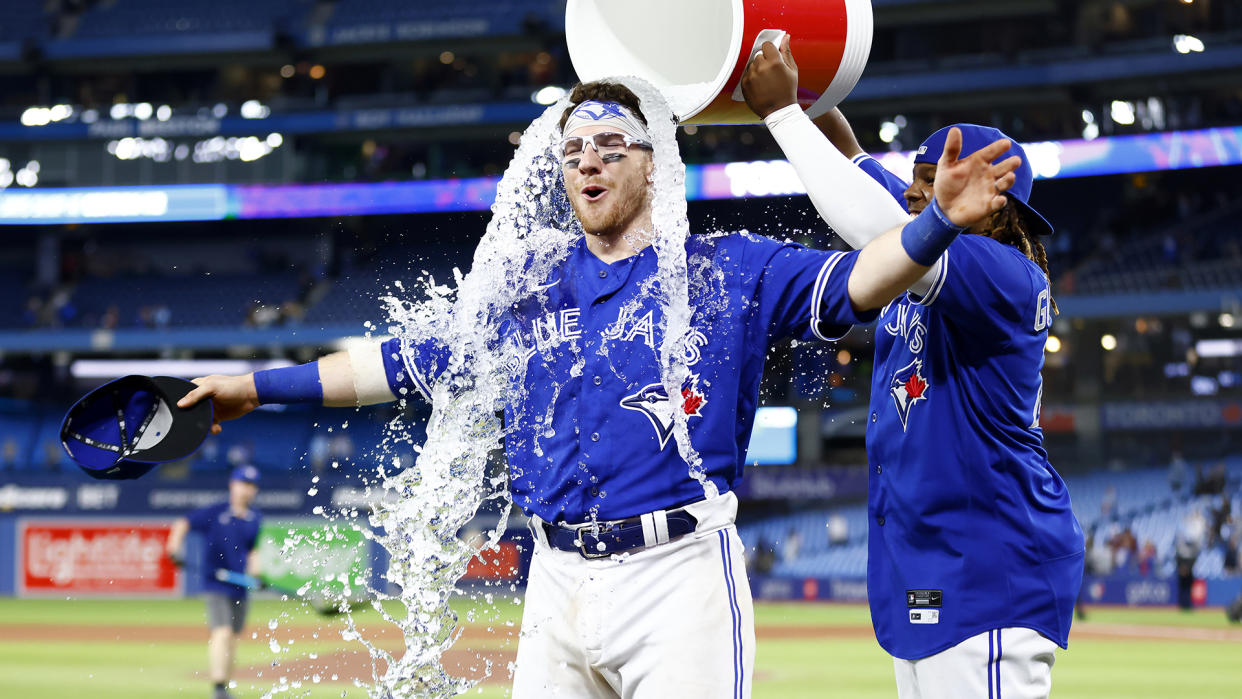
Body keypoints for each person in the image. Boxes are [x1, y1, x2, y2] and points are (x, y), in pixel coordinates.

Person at [175, 77, 1019, 697]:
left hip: (679, 574)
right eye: (572, 149)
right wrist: (253, 385)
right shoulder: (524, 287)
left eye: (612, 145)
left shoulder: (726, 271)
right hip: (555, 578)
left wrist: (934, 222)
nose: (588, 162)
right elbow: (394, 364)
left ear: (654, 162)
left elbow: (861, 282)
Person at [743, 37, 1084, 699]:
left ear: (992, 202)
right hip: (935, 565)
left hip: (990, 567)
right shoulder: (933, 245)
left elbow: (886, 232)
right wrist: (812, 93)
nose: (913, 198)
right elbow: (854, 168)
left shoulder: (1002, 276)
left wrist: (781, 116)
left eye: (930, 190)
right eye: (916, 185)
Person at [166, 464, 264, 699]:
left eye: (251, 486)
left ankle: (225, 688)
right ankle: (218, 688)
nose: (246, 490)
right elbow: (182, 524)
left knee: (233, 639)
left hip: (239, 586)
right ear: (232, 484)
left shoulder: (255, 518)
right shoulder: (215, 511)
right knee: (222, 632)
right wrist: (174, 548)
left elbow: (252, 551)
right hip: (215, 584)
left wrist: (256, 574)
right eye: (243, 483)